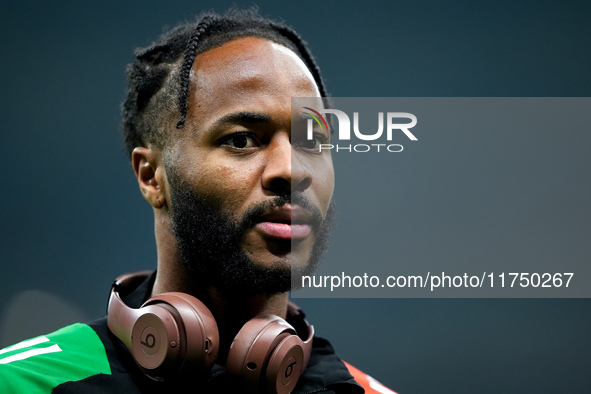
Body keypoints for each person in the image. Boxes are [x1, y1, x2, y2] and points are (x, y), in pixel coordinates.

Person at [0, 9, 395, 394]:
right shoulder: (20, 384)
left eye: (312, 141)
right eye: (241, 139)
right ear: (151, 176)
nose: (290, 172)